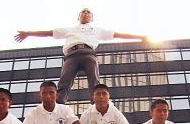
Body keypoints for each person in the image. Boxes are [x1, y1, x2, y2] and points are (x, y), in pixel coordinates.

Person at [15, 8, 147, 103]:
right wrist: (28, 33)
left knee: (94, 80)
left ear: (91, 18)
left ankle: (96, 101)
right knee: (65, 80)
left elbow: (117, 35)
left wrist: (140, 37)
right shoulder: (70, 29)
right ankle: (60, 102)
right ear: (79, 17)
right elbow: (49, 33)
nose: (85, 14)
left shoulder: (97, 30)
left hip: (88, 53)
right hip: (72, 55)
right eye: (82, 12)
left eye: (88, 12)